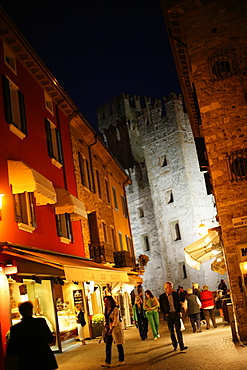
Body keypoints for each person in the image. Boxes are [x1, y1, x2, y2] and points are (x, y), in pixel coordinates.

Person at [7, 301, 58, 370]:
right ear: (31, 310)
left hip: (26, 362)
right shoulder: (41, 322)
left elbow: (13, 350)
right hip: (44, 359)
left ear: (20, 312)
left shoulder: (15, 328)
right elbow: (50, 339)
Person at [159, 281, 188, 351]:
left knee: (178, 330)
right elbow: (161, 307)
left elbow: (178, 303)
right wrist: (165, 313)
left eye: (171, 286)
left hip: (175, 314)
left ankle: (181, 345)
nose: (170, 288)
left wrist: (178, 311)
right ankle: (174, 344)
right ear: (165, 288)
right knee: (171, 331)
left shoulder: (175, 294)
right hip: (169, 315)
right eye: (168, 287)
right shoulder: (162, 296)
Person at [101, 296, 124, 368]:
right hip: (108, 329)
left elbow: (116, 319)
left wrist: (112, 328)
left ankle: (121, 360)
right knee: (108, 345)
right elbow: (106, 318)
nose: (105, 302)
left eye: (106, 300)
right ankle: (107, 362)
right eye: (104, 301)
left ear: (110, 301)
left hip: (115, 329)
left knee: (118, 344)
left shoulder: (115, 309)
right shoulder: (105, 309)